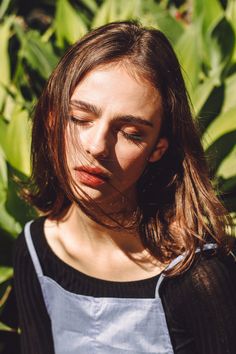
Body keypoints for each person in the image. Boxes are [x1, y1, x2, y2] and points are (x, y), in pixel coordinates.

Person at [13, 21, 236, 354]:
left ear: (157, 149)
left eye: (131, 132)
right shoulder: (34, 248)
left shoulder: (198, 276)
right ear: (52, 119)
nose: (97, 146)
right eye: (80, 117)